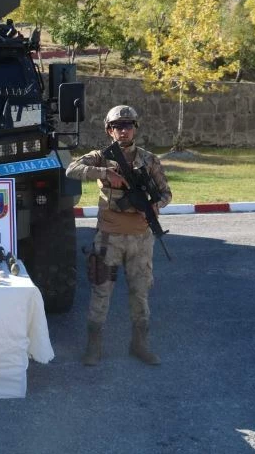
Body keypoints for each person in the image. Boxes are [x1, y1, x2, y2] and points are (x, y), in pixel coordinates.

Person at [65, 105, 172, 366]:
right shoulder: (101, 157)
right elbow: (71, 169)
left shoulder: (149, 160)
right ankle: (94, 348)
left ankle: (140, 345)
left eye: (128, 126)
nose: (123, 131)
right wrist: (105, 173)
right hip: (109, 239)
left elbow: (166, 193)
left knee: (140, 294)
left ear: (135, 128)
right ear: (109, 130)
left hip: (140, 239)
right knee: (101, 293)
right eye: (117, 126)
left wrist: (154, 206)